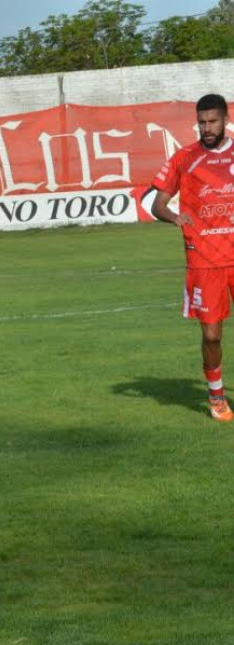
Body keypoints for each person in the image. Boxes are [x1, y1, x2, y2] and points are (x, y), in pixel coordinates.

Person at [152, 93, 234, 422]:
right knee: (211, 334)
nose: (207, 127)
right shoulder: (184, 158)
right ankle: (216, 395)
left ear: (226, 121)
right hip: (203, 259)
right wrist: (174, 217)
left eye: (212, 121)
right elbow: (157, 204)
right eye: (201, 122)